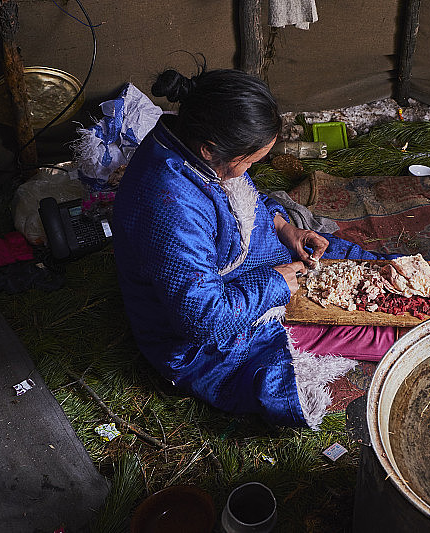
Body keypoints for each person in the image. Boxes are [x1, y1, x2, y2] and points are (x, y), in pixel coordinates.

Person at [112, 65, 397, 429]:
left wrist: (283, 228)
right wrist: (277, 283)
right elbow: (203, 321)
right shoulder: (170, 208)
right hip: (192, 332)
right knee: (374, 329)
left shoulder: (192, 142)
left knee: (359, 271)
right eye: (248, 160)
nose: (249, 169)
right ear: (209, 149)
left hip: (233, 268)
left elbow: (243, 196)